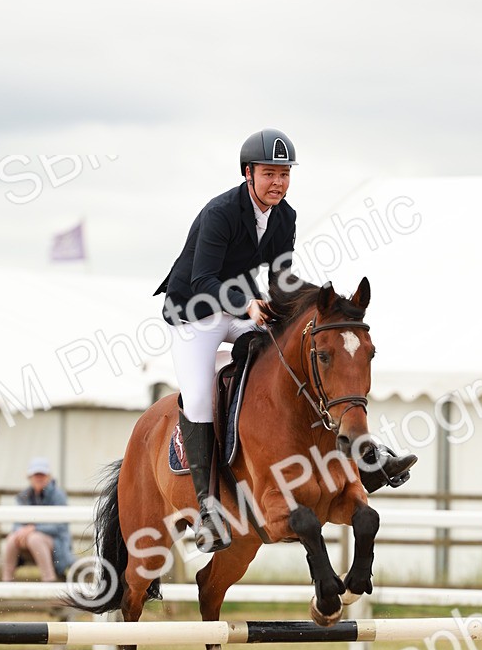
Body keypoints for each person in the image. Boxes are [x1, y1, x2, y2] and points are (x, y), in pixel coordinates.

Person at [154, 127, 415, 554]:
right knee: (198, 398)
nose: (278, 182)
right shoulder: (221, 213)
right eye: (269, 173)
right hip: (195, 315)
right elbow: (202, 281)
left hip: (243, 310)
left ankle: (370, 456)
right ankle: (207, 510)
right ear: (248, 173)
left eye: (284, 174)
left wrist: (325, 302)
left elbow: (281, 281)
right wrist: (247, 306)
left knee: (299, 357)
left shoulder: (284, 217)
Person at [3, 458, 73, 583]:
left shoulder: (58, 496)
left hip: (55, 543)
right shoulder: (24, 496)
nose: (39, 478)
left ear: (49, 476)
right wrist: (23, 531)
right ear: (29, 477)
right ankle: (6, 581)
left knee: (35, 538)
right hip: (28, 541)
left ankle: (49, 580)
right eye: (36, 474)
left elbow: (60, 527)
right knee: (12, 539)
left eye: (42, 474)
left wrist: (34, 528)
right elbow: (17, 523)